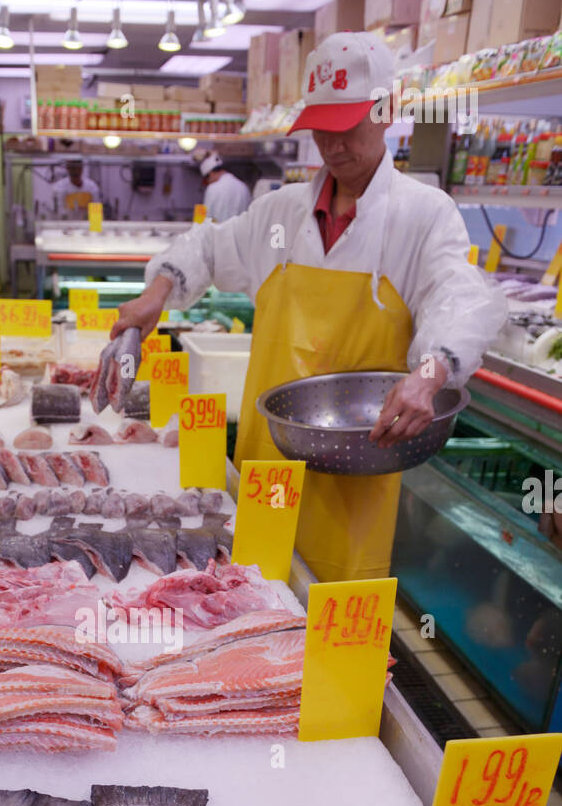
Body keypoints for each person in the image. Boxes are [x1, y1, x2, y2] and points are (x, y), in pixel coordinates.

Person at [110, 32, 508, 582]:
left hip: (357, 473)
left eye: (346, 125)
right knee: (245, 606)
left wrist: (429, 371)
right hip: (266, 461)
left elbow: (458, 296)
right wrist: (155, 295)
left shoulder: (425, 215)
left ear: (386, 111)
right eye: (321, 126)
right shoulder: (280, 212)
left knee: (326, 618)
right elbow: (208, 246)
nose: (333, 143)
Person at [198, 152, 250, 223]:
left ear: (210, 173)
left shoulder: (213, 188)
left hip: (218, 232)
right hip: (240, 232)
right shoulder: (243, 187)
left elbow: (205, 217)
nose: (208, 182)